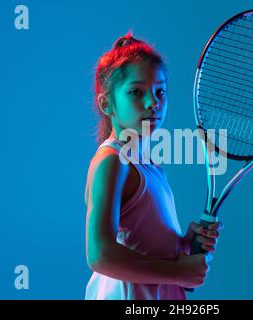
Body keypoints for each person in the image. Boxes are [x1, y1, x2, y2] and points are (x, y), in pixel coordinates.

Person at [84, 32, 223, 300]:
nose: (153, 103)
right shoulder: (112, 162)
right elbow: (100, 254)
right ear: (106, 103)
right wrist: (177, 273)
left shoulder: (150, 165)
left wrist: (184, 246)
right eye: (136, 92)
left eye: (160, 91)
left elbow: (144, 247)